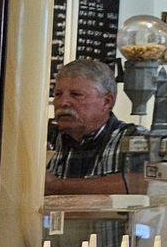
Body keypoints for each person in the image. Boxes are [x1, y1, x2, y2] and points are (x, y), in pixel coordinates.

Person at [46, 59, 148, 194]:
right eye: (58, 94)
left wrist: (56, 186)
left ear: (106, 102)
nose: (63, 102)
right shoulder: (42, 139)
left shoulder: (136, 140)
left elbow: (143, 185)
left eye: (76, 95)